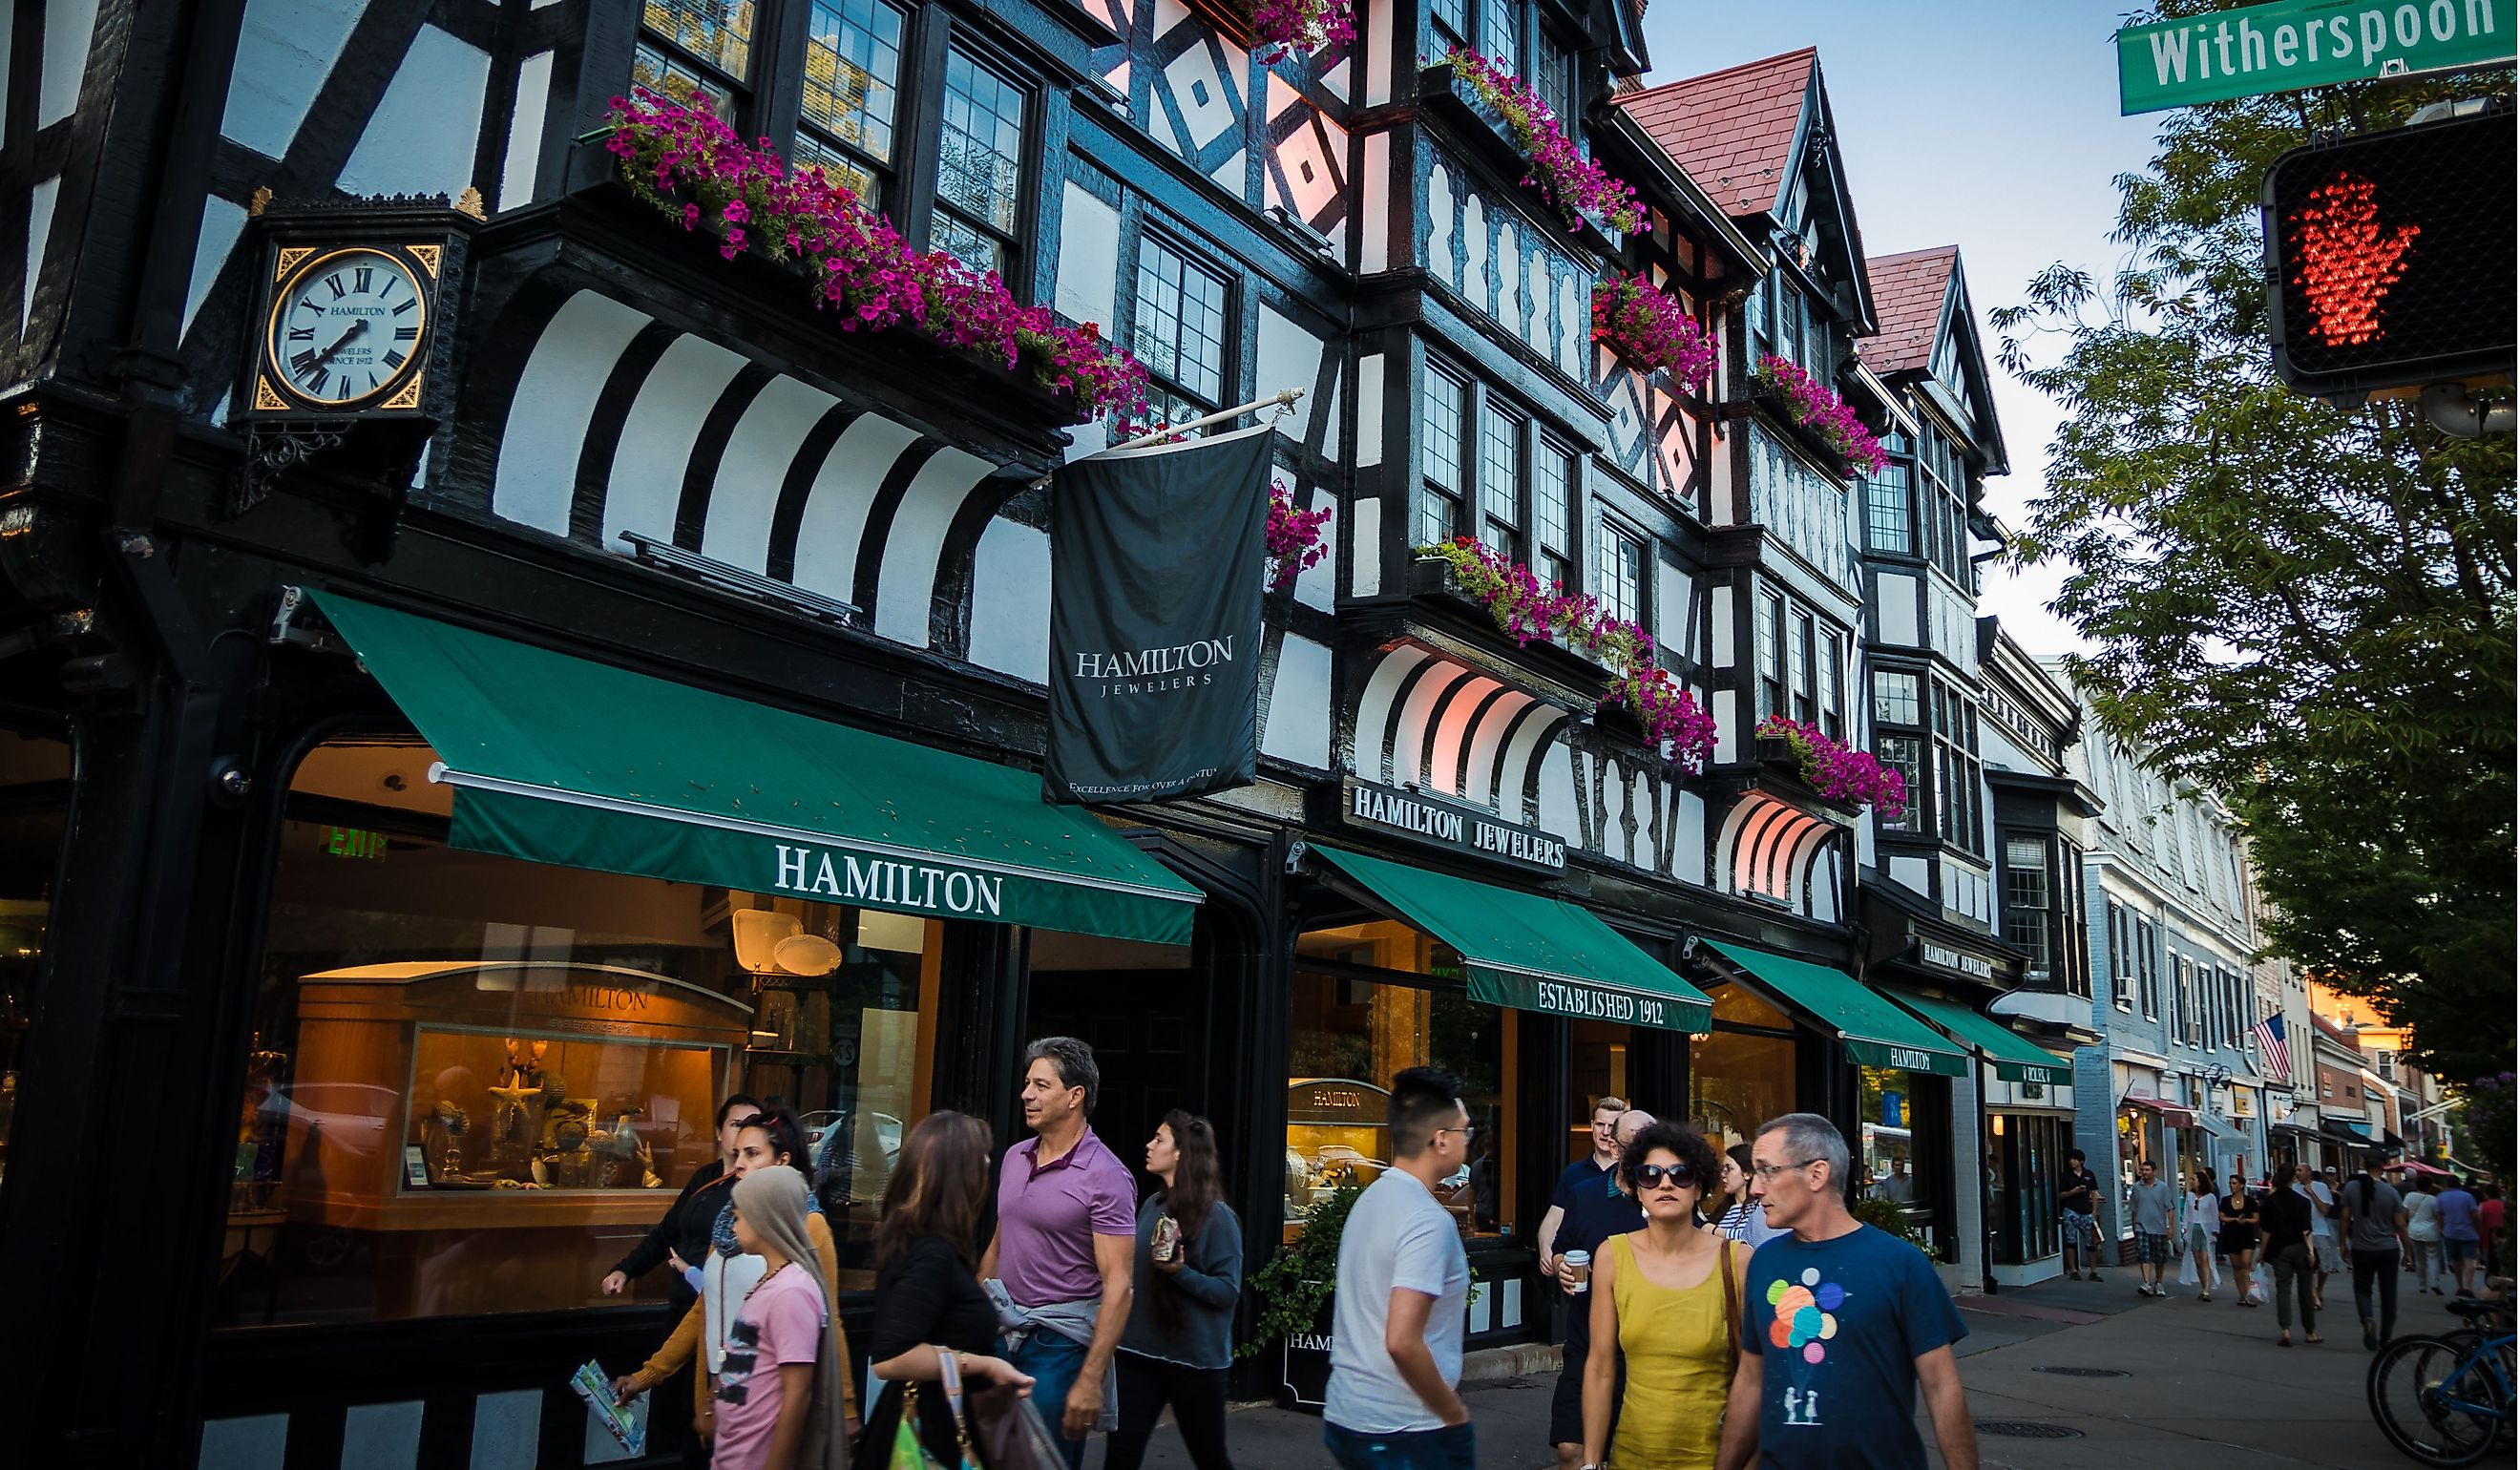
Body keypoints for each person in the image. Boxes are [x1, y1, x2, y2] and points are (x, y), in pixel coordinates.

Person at [1712, 1113, 1976, 1470]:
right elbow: (1751, 1379)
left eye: (1767, 1170)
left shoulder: (1900, 1264)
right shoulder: (1764, 1262)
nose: (1756, 1188)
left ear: (1816, 1174)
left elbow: (1941, 1386)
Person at [618, 1109, 857, 1459]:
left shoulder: (809, 1226)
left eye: (753, 1153)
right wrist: (649, 1373)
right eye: (738, 1151)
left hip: (769, 1398)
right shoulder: (730, 1224)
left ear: (782, 1160)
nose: (738, 1161)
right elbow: (705, 1307)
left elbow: (829, 1318)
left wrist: (847, 1405)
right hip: (719, 1391)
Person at [980, 1037, 1137, 1470]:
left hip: (1061, 1342)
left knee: (1040, 1458)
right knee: (989, 1454)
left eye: (1041, 1085)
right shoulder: (1014, 1157)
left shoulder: (1107, 1177)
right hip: (1001, 1327)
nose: (1026, 1094)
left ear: (1075, 1096)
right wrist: (971, 1321)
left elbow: (1120, 1286)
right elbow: (999, 1243)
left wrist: (1090, 1380)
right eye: (1027, 1083)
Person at [855, 1112, 1036, 1470]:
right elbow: (891, 1357)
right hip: (931, 1435)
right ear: (958, 1174)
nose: (988, 1163)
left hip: (939, 1422)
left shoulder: (927, 1243)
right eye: (980, 1156)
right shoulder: (931, 1254)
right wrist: (986, 1365)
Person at [1323, 1067, 1474, 1470]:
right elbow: (1402, 1339)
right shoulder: (1428, 1220)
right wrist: (1453, 1413)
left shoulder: (1368, 1201)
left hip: (1347, 1413)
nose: (1469, 1140)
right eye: (1465, 1131)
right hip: (1405, 1428)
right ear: (1440, 1139)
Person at [1579, 1121, 1746, 1470]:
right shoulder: (1612, 1256)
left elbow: (1757, 1376)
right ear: (1637, 1189)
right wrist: (1591, 1462)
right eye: (1650, 1174)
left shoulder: (1737, 1260)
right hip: (1632, 1456)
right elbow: (1600, 1368)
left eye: (1680, 1174)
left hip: (1714, 1459)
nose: (1665, 1183)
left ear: (1699, 1187)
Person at [1108, 1112, 1242, 1470]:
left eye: (1159, 1139)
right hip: (1137, 1354)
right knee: (1120, 1458)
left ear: (1181, 1153)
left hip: (1194, 1363)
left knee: (1210, 1459)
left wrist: (1180, 1273)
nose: (1149, 1146)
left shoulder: (1218, 1218)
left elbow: (1227, 1291)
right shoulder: (1151, 1206)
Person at [710, 1166, 848, 1470]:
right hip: (734, 1455)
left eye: (739, 1217)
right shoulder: (772, 1283)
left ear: (765, 1219)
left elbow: (798, 1393)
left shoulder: (791, 1292)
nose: (733, 1228)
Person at [1540, 1100, 1645, 1469]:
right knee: (1572, 1450)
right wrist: (1561, 1265)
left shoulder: (1663, 1200)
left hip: (1642, 1352)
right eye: (1637, 1145)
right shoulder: (1585, 1193)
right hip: (1585, 1344)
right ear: (1615, 1148)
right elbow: (1561, 1248)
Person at [606, 1095, 765, 1307]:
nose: (744, 1132)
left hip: (720, 1304)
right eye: (736, 1124)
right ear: (719, 1132)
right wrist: (625, 1270)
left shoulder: (759, 1187)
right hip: (683, 1298)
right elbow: (666, 1233)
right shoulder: (705, 1176)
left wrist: (696, 1274)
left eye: (751, 1125)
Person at [2340, 1155, 2410, 1350]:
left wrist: (2342, 1244)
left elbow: (2345, 1218)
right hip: (2388, 1248)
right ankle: (2386, 1337)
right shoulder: (2391, 1192)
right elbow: (2400, 1224)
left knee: (2362, 1289)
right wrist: (2408, 1251)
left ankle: (2368, 1318)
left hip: (2362, 1248)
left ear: (2363, 1164)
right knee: (2389, 1294)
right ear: (2384, 1167)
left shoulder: (2351, 1189)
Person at [2259, 1169, 2320, 1347]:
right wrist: (2311, 1252)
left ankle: (2285, 1329)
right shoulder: (2302, 1201)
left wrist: (2262, 1254)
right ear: (2293, 1179)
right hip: (2300, 1247)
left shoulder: (2269, 1202)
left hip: (2279, 1249)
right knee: (2305, 1291)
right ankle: (2310, 1331)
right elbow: (2306, 1230)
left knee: (2283, 1289)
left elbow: (2266, 1231)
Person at [1716, 1143, 1790, 1250]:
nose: (1723, 1175)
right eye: (1722, 1169)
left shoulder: (1763, 1208)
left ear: (1746, 1173)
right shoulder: (1722, 1211)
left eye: (1729, 1169)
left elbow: (1756, 1237)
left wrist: (1714, 1231)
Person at [2127, 1160, 2178, 1298]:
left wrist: (2171, 1228)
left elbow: (2170, 1208)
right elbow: (2133, 1209)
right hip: (2141, 1227)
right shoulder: (2137, 1188)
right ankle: (2147, 1283)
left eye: (2147, 1170)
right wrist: (2134, 1226)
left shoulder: (2162, 1188)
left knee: (2159, 1258)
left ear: (2154, 1171)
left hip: (2159, 1228)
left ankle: (2159, 1282)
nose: (2144, 1173)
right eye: (2142, 1170)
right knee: (2144, 1255)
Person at [2058, 1150, 2104, 1283]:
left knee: (2091, 1242)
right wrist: (2073, 1192)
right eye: (2071, 1159)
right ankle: (2073, 1270)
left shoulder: (2089, 1175)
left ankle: (2093, 1271)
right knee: (2071, 1241)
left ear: (2081, 1161)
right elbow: (2060, 1194)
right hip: (2071, 1210)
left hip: (2086, 1211)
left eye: (2075, 1159)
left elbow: (2094, 1192)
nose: (2072, 1162)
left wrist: (2094, 1210)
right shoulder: (2065, 1175)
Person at [2218, 1171, 2261, 1308]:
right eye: (2230, 1183)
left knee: (2246, 1262)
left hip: (2246, 1234)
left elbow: (2256, 1218)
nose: (2231, 1186)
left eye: (2234, 1183)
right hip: (2231, 1235)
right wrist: (2235, 1219)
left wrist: (2246, 1220)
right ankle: (2242, 1295)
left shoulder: (2249, 1201)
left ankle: (2249, 1293)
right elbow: (2222, 1217)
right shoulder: (2226, 1200)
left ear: (2242, 1185)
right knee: (2237, 1266)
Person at [2178, 1171, 2222, 1302]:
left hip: (2205, 1230)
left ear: (2201, 1182)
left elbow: (2215, 1215)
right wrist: (2184, 1228)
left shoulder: (2210, 1198)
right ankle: (2203, 1286)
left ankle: (2207, 1290)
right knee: (2197, 1261)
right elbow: (2186, 1212)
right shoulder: (2190, 1196)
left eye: (2194, 1179)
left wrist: (2215, 1230)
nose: (2192, 1181)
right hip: (2193, 1229)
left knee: (2205, 1260)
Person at [2435, 1175, 2481, 1297]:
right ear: (2459, 1184)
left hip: (2450, 1232)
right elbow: (2475, 1215)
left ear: (2447, 1185)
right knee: (2469, 1260)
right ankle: (2468, 1286)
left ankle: (2460, 1285)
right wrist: (2477, 1229)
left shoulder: (2441, 1197)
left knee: (2456, 1261)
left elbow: (2439, 1216)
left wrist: (2442, 1228)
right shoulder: (2468, 1197)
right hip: (2468, 1232)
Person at [2306, 1165, 2343, 1310]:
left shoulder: (2322, 1188)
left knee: (2324, 1266)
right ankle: (2313, 1295)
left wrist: (2312, 1194)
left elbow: (2325, 1210)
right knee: (2307, 1267)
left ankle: (2319, 1289)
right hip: (2303, 1233)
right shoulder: (2294, 1187)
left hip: (2320, 1231)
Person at [2404, 1175, 2444, 1296]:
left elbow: (2405, 1213)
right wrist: (2442, 1228)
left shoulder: (2409, 1196)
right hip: (2431, 1231)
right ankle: (2434, 1283)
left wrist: (2409, 1222)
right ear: (2430, 1186)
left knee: (2419, 1259)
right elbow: (2438, 1216)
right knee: (2433, 1258)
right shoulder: (2433, 1200)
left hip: (2414, 1231)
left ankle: (2422, 1285)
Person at [2477, 1183, 2506, 1282]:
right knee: (2502, 1263)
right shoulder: (2505, 1206)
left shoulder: (2483, 1206)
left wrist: (2478, 1240)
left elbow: (2479, 1224)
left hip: (2487, 1239)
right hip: (2503, 1238)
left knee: (2489, 1263)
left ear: (2486, 1194)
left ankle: (2491, 1285)